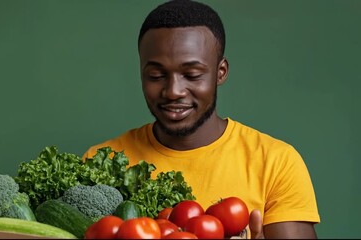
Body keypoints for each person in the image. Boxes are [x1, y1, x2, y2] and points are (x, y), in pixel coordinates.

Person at [83, 0, 320, 238]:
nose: (174, 91)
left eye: (192, 75)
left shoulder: (276, 162)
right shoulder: (101, 162)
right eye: (156, 75)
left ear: (221, 72)